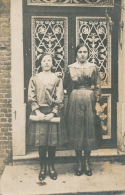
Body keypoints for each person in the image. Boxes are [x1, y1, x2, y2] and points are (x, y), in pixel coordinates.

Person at [28, 53, 67, 181]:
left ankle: (51, 167)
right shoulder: (34, 78)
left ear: (52, 63)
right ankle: (43, 167)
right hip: (39, 113)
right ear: (40, 63)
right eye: (44, 60)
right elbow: (31, 96)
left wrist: (53, 112)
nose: (46, 63)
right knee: (41, 143)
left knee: (52, 143)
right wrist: (37, 111)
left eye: (49, 60)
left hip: (52, 113)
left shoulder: (57, 79)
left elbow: (59, 97)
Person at [64, 43, 102, 176]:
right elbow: (65, 86)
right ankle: (79, 162)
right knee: (77, 129)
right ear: (76, 53)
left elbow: (97, 86)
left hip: (89, 99)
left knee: (88, 129)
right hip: (74, 99)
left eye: (85, 52)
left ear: (88, 53)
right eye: (80, 51)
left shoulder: (93, 67)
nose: (82, 54)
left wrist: (96, 102)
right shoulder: (70, 68)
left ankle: (87, 162)